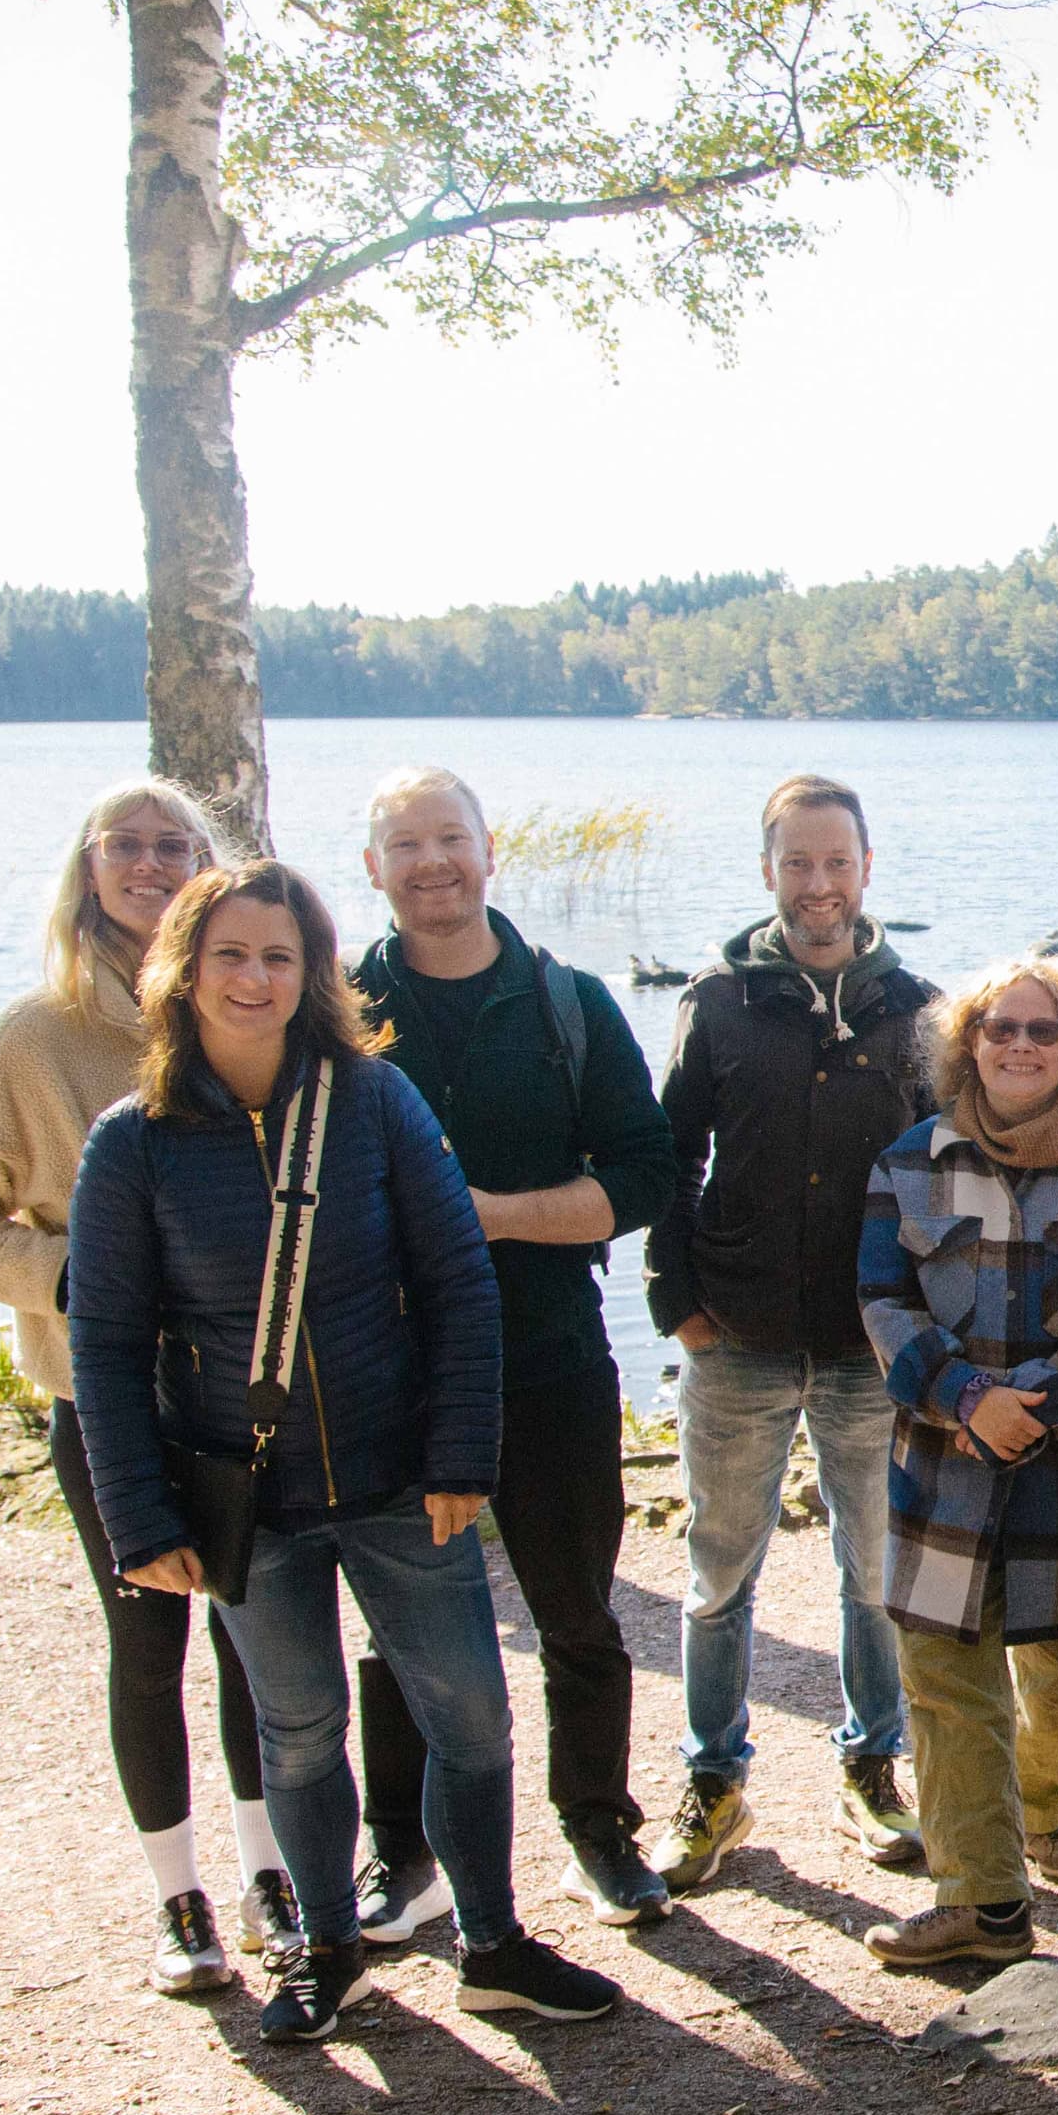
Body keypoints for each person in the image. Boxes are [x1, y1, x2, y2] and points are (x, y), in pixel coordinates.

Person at [66, 859, 617, 2045]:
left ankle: (492, 1943)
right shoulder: (135, 1143)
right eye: (231, 956)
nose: (255, 979)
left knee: (469, 1715)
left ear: (313, 971)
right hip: (242, 1496)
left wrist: (463, 1454)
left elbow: (460, 1281)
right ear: (184, 971)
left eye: (279, 956)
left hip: (398, 1480)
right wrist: (141, 1521)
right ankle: (326, 1949)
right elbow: (105, 1347)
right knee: (301, 1731)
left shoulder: (374, 1103)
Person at [0, 776, 292, 1997]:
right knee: (150, 1639)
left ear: (202, 867)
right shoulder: (39, 1037)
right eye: (122, 845)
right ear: (88, 870)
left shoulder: (243, 1009)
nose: (146, 862)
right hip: (107, 1403)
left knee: (259, 1643)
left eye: (170, 844)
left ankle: (270, 1871)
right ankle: (178, 1897)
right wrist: (82, 1276)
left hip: (248, 1395)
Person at [349, 768, 679, 1937]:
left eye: (452, 838)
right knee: (399, 1626)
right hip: (383, 1370)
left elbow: (646, 1171)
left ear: (490, 852)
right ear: (372, 866)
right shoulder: (334, 1012)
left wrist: (492, 1214)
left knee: (577, 1613)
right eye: (406, 843)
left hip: (547, 1355)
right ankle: (401, 1852)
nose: (432, 861)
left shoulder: (568, 1004)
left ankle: (600, 1829)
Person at [855, 955, 1058, 1969]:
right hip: (942, 1476)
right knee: (948, 1687)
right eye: (1001, 1028)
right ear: (969, 1041)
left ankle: (1041, 1808)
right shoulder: (907, 1164)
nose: (1021, 1046)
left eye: (1044, 1031)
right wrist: (965, 1400)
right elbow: (883, 1299)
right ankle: (982, 1898)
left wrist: (1027, 1408)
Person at [647, 776, 938, 1880]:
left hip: (870, 1344)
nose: (819, 885)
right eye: (797, 864)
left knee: (875, 1571)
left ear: (868, 867)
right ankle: (713, 1780)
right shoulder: (719, 1000)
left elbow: (942, 1175)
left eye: (837, 863)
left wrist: (923, 1325)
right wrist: (677, 1298)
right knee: (720, 1573)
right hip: (740, 1331)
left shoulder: (913, 1007)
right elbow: (668, 1154)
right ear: (767, 870)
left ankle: (874, 1766)